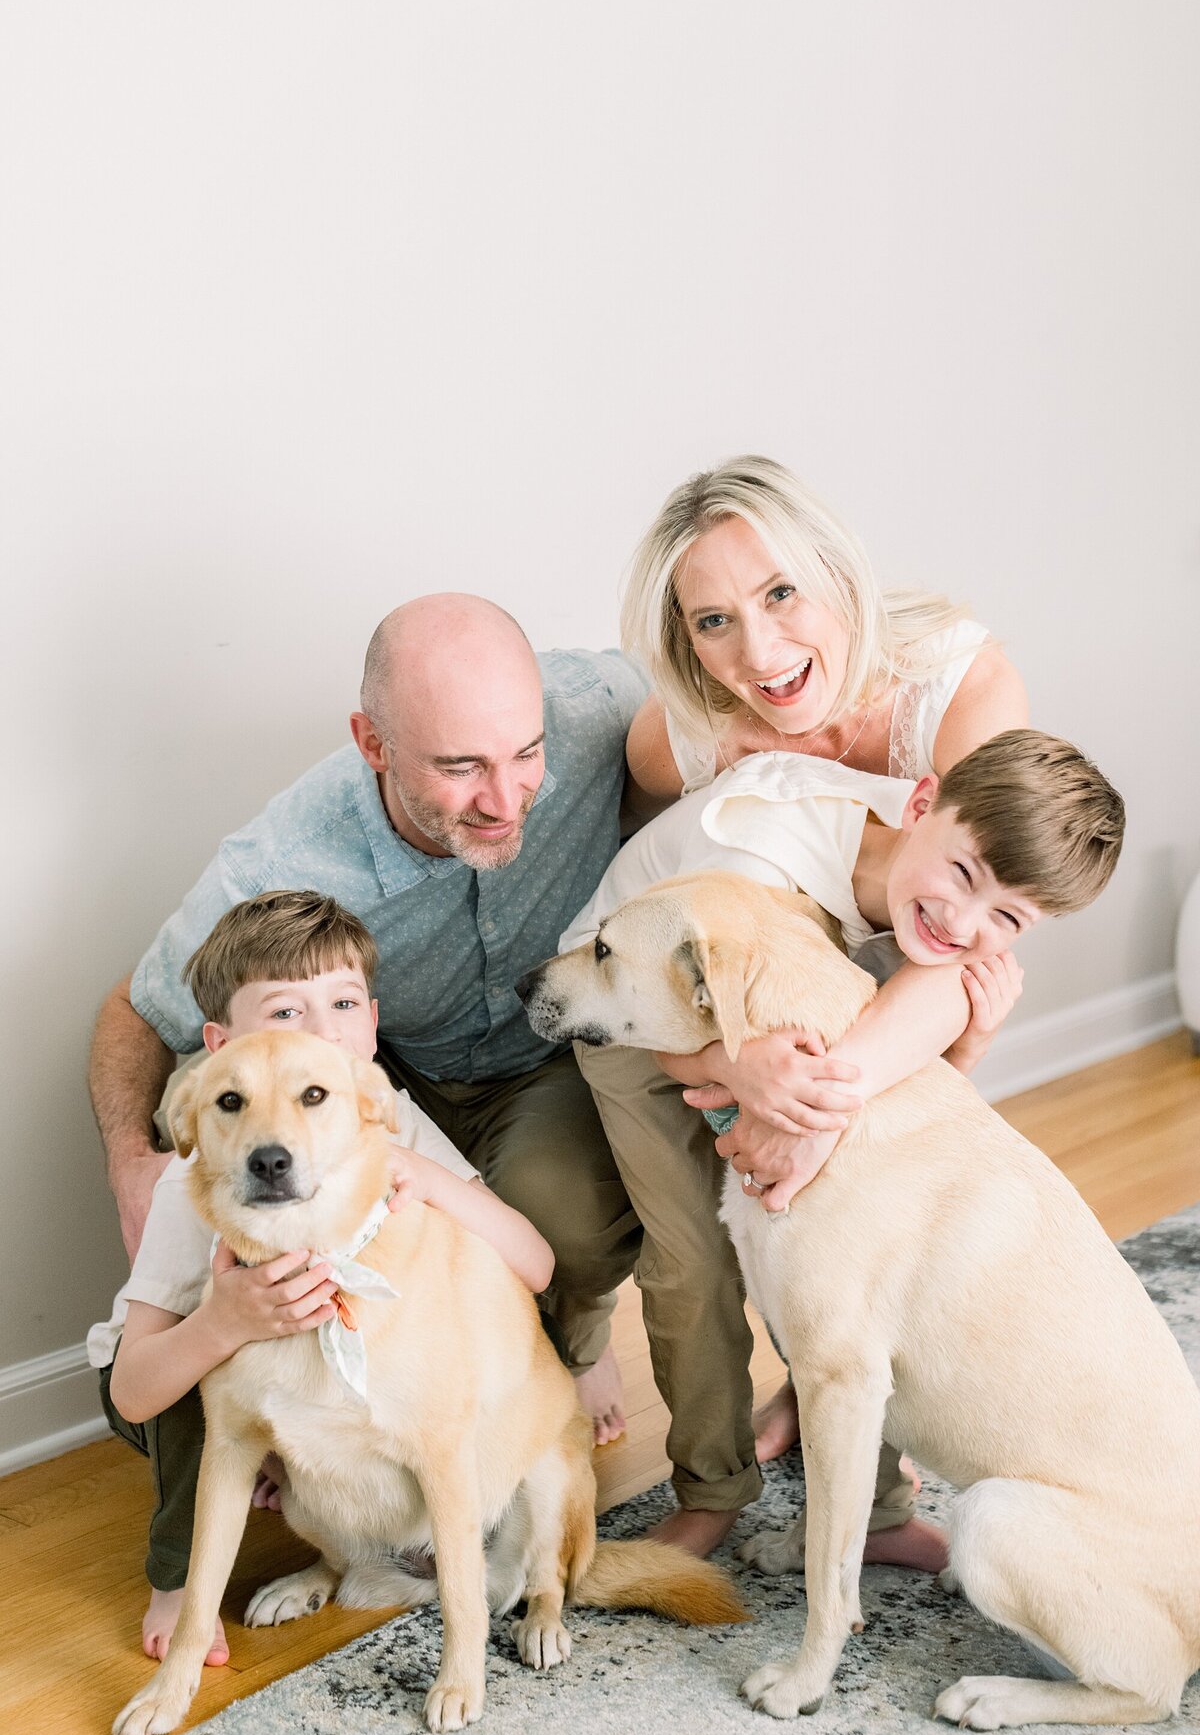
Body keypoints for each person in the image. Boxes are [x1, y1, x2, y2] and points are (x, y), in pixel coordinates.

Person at [575, 455, 1034, 1554]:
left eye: (782, 593)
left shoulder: (959, 693)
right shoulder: (688, 732)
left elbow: (962, 947)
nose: (762, 656)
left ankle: (848, 1429)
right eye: (715, 623)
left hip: (889, 959)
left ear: (835, 568)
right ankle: (721, 1474)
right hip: (746, 981)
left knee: (869, 1207)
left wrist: (822, 1100)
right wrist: (740, 1074)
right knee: (708, 1242)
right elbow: (645, 886)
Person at [88, 596, 649, 1447]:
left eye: (526, 754)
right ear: (373, 744)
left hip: (546, 1061)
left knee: (560, 1223)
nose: (506, 799)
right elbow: (135, 1008)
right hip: (389, 1079)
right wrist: (131, 1165)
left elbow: (733, 683)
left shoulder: (597, 705)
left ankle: (571, 1341)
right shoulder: (279, 863)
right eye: (461, 767)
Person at [563, 729, 1124, 1566]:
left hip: (793, 1038)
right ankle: (712, 1491)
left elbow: (916, 1100)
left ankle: (878, 1508)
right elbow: (677, 1028)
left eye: (1007, 917)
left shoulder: (946, 931)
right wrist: (746, 1078)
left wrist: (954, 1053)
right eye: (963, 875)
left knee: (851, 1252)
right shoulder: (757, 859)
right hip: (644, 1016)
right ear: (921, 804)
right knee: (696, 1258)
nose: (962, 921)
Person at [87, 890, 555, 1666]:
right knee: (204, 1400)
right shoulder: (202, 1168)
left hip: (315, 1377)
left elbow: (531, 1264)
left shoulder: (380, 1119)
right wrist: (225, 1323)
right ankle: (176, 1583)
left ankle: (370, 1542)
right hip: (161, 1375)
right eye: (283, 1013)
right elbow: (137, 1388)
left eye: (341, 1004)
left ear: (369, 1026)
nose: (320, 1030)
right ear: (219, 1046)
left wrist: (429, 1180)